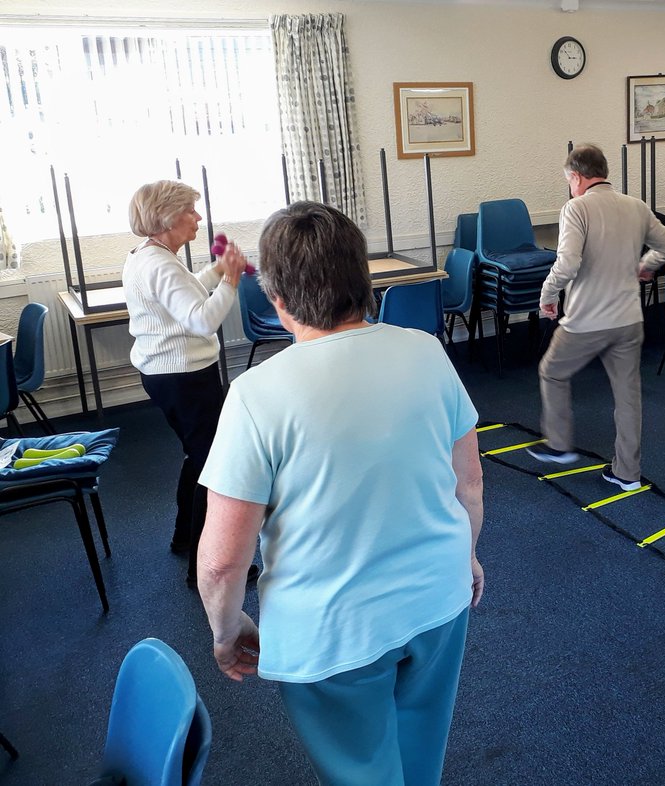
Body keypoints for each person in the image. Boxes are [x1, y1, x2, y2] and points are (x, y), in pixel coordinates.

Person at [196, 202, 485, 786]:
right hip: (439, 596)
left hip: (334, 630)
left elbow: (224, 563)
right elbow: (470, 486)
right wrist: (468, 554)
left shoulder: (255, 395)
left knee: (364, 773)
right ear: (364, 277)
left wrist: (227, 633)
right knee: (419, 754)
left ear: (276, 298)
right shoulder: (428, 351)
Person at [527, 144, 665, 490]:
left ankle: (559, 444)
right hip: (628, 319)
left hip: (587, 320)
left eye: (569, 180)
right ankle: (627, 473)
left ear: (577, 177)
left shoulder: (576, 208)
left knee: (552, 371)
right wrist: (646, 265)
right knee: (627, 396)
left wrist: (547, 296)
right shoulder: (635, 206)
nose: (570, 186)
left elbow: (567, 263)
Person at [122, 180, 250, 588]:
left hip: (170, 375)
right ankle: (203, 567)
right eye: (190, 211)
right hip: (184, 378)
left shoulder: (150, 255)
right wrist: (230, 281)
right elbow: (202, 319)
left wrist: (215, 271)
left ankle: (183, 538)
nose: (198, 218)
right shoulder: (158, 263)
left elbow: (184, 292)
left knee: (196, 458)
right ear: (167, 217)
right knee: (210, 466)